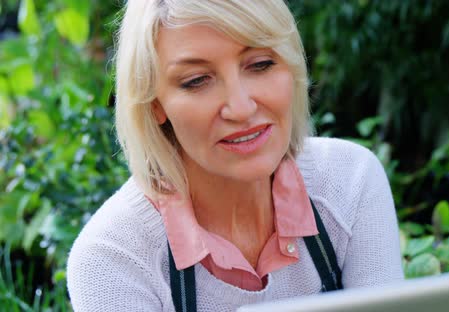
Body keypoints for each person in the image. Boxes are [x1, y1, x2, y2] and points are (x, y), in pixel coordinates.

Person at [66, 0, 404, 311]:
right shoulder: (114, 258)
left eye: (260, 64)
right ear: (155, 104)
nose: (241, 108)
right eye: (197, 81)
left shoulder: (350, 182)